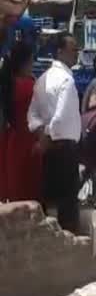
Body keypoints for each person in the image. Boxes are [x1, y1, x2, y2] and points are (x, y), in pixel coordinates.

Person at [28, 32, 81, 232]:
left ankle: (51, 240)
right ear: (60, 52)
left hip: (51, 148)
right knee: (68, 203)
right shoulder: (66, 80)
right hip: (65, 147)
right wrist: (48, 135)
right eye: (73, 49)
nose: (77, 53)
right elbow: (60, 117)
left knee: (51, 199)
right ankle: (68, 246)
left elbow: (32, 115)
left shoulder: (41, 79)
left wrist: (41, 133)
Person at [0, 43, 42, 202]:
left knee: (15, 192)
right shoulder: (30, 86)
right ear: (28, 61)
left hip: (11, 141)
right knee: (29, 193)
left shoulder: (8, 85)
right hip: (28, 142)